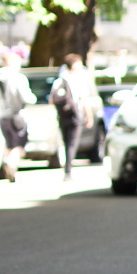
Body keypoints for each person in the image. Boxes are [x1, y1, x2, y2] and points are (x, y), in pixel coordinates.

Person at [0, 51, 36, 182]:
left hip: (2, 116)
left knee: (9, 144)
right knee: (19, 145)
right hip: (17, 115)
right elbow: (26, 97)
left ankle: (9, 162)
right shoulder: (18, 77)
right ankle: (11, 162)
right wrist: (33, 99)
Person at [49, 53, 97, 181]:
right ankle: (68, 169)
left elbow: (52, 99)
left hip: (63, 115)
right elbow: (84, 99)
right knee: (72, 142)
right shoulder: (77, 80)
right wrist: (89, 116)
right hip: (75, 114)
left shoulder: (60, 79)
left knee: (66, 141)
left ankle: (67, 166)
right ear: (74, 65)